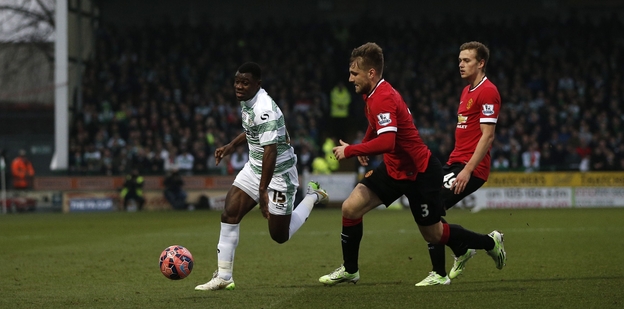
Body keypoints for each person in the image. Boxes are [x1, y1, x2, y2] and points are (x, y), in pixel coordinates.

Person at [319, 42, 505, 287]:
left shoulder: (383, 97)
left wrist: (352, 150)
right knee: (350, 208)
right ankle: (350, 270)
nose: (350, 78)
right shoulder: (371, 94)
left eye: (354, 73)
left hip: (419, 172)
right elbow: (376, 125)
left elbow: (387, 140)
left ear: (371, 73)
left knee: (434, 233)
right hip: (395, 168)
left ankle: (484, 245)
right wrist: (364, 143)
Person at [195, 62, 329, 291]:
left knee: (279, 235)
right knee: (230, 212)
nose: (239, 86)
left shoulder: (264, 108)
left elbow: (271, 151)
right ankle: (224, 276)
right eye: (237, 81)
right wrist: (230, 146)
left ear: (258, 84)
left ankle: (313, 196)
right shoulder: (249, 102)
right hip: (255, 166)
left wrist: (262, 190)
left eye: (245, 83)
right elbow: (251, 130)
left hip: (278, 173)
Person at [420, 41, 505, 286]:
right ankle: (476, 246)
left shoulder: (488, 91)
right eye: (459, 60)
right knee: (427, 206)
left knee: (429, 207)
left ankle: (441, 271)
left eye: (466, 60)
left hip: (471, 168)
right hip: (456, 162)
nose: (461, 64)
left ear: (481, 63)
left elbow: (488, 135)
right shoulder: (467, 90)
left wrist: (467, 170)